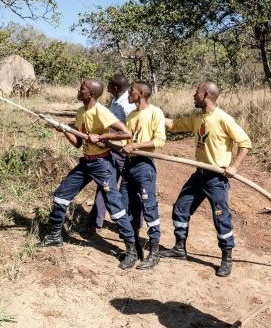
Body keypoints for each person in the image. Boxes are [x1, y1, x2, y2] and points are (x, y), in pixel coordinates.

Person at [40, 78, 141, 269]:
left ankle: (131, 250)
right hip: (86, 161)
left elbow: (126, 133)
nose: (79, 90)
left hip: (102, 164)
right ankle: (54, 236)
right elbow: (78, 143)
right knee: (60, 196)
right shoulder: (81, 112)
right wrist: (64, 130)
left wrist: (102, 136)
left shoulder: (101, 112)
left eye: (82, 88)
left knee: (115, 207)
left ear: (91, 94)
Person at [160, 81, 251, 277]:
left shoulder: (223, 119)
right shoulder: (197, 117)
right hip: (199, 174)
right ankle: (179, 249)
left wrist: (234, 166)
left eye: (197, 92)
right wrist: (154, 114)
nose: (194, 95)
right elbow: (174, 125)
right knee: (181, 208)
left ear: (207, 95)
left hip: (217, 178)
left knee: (221, 218)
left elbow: (245, 143)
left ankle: (227, 258)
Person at [120, 81, 166, 269]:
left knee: (149, 208)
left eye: (131, 91)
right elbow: (126, 139)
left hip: (144, 166)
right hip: (128, 166)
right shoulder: (131, 115)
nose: (129, 94)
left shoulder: (155, 113)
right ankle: (131, 249)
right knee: (125, 207)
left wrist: (135, 146)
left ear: (140, 94)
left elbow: (159, 141)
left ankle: (154, 252)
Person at [87, 73, 136, 231]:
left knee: (128, 187)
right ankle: (95, 221)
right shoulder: (116, 101)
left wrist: (128, 148)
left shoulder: (126, 105)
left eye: (108, 84)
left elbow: (131, 130)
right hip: (112, 148)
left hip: (123, 152)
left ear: (115, 88)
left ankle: (131, 222)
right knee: (105, 184)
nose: (105, 87)